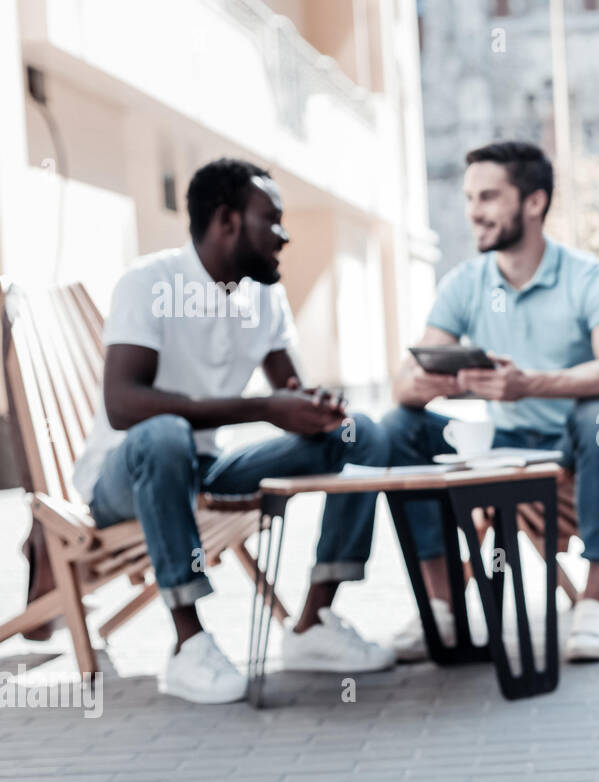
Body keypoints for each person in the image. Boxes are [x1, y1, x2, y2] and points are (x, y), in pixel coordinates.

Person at [73, 158, 397, 705]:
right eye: (271, 219)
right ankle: (188, 643)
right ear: (227, 222)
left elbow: (289, 390)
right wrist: (264, 408)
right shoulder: (149, 283)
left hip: (207, 469)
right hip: (127, 475)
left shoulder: (262, 295)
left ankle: (314, 624)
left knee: (360, 433)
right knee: (164, 433)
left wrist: (319, 411)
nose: (285, 234)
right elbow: (125, 404)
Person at [384, 141, 599, 662]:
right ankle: (441, 605)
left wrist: (532, 383)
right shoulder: (465, 283)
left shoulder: (589, 277)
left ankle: (594, 602)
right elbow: (403, 382)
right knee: (398, 425)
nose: (473, 211)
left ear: (533, 202)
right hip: (500, 446)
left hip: (572, 449)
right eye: (469, 197)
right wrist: (439, 382)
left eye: (488, 196)